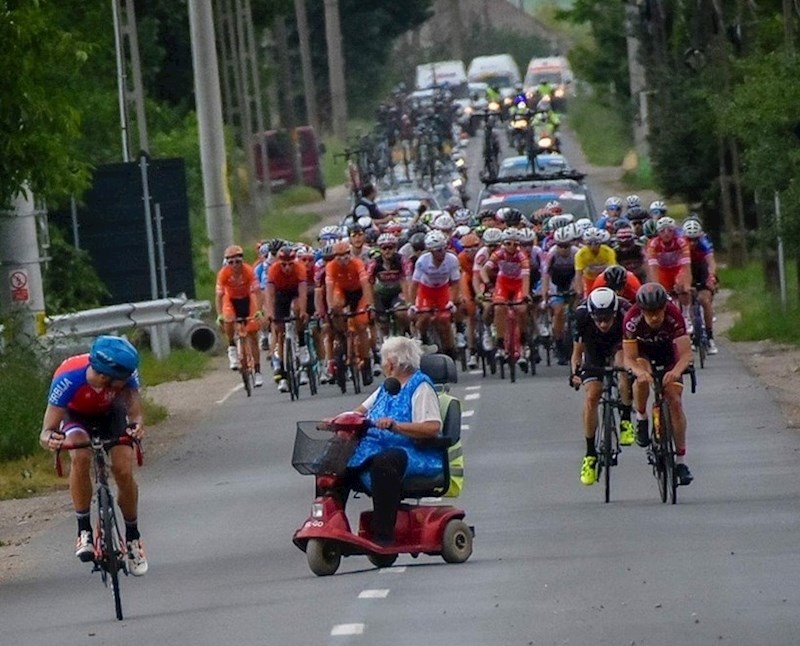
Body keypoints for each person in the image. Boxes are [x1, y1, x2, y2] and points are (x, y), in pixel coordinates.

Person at [40, 335, 148, 575]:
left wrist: (136, 426)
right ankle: (83, 530)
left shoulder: (127, 376)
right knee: (79, 454)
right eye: (122, 380)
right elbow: (46, 430)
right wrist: (51, 439)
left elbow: (135, 413)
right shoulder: (68, 377)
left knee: (122, 468)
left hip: (112, 416)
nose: (127, 382)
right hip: (76, 417)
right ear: (104, 376)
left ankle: (133, 537)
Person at [347, 337, 443, 545]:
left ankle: (383, 535)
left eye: (383, 361)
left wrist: (397, 426)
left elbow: (432, 427)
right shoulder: (387, 387)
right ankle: (330, 523)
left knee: (384, 463)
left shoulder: (420, 386)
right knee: (336, 460)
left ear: (391, 363)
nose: (382, 365)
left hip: (412, 452)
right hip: (376, 447)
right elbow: (359, 412)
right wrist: (338, 421)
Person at [623, 283, 694, 485]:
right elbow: (629, 358)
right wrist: (639, 372)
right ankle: (642, 417)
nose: (654, 317)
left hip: (669, 354)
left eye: (658, 311)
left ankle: (681, 461)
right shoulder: (631, 319)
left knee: (675, 402)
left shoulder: (674, 315)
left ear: (665, 307)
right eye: (649, 312)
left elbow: (686, 353)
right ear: (641, 310)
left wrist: (675, 372)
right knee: (642, 376)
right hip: (643, 354)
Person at [570, 288, 635, 485]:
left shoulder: (626, 312)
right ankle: (590, 454)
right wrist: (575, 373)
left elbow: (633, 350)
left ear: (615, 312)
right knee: (592, 396)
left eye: (607, 318)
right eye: (599, 319)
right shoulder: (581, 315)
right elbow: (576, 354)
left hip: (619, 344)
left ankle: (625, 419)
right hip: (593, 348)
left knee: (623, 367)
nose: (604, 323)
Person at [215, 245, 263, 381]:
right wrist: (219, 315)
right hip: (231, 300)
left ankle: (258, 371)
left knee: (252, 333)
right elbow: (218, 296)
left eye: (238, 261)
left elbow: (258, 292)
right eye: (231, 262)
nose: (235, 265)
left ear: (242, 261)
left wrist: (259, 310)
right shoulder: (224, 273)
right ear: (227, 263)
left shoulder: (248, 271)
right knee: (228, 318)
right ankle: (231, 347)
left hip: (247, 300)